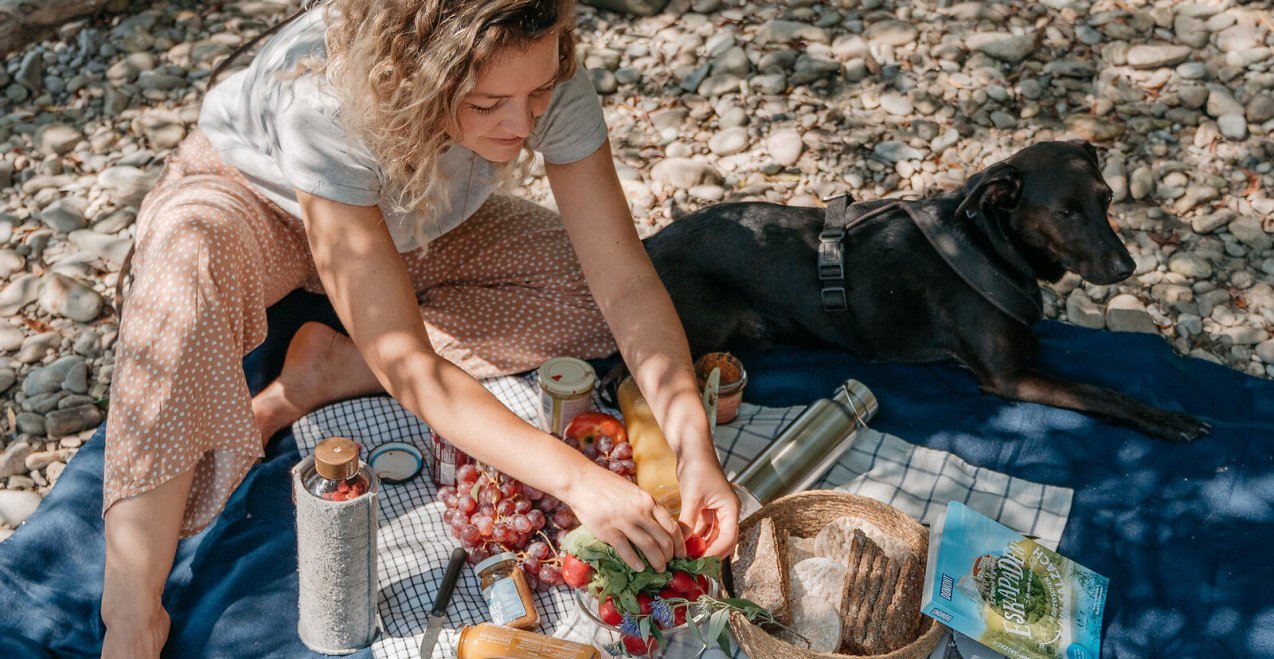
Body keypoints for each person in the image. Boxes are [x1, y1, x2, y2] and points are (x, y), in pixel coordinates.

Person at [99, 0, 740, 655]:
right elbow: (407, 357)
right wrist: (578, 479)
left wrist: (695, 450)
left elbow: (624, 280)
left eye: (538, 92)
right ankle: (131, 613)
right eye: (488, 103)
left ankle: (335, 365)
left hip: (412, 221)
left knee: (583, 296)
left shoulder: (546, 63)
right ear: (419, 78)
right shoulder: (324, 100)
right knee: (185, 254)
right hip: (262, 212)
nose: (520, 123)